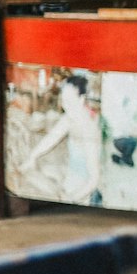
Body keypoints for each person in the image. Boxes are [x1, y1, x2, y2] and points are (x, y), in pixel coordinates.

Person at [21, 73, 104, 206]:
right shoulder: (70, 118)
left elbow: (94, 179)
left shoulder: (89, 130)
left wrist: (71, 199)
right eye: (64, 101)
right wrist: (32, 157)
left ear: (82, 99)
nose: (66, 106)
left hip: (84, 193)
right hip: (70, 180)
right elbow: (51, 138)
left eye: (70, 101)